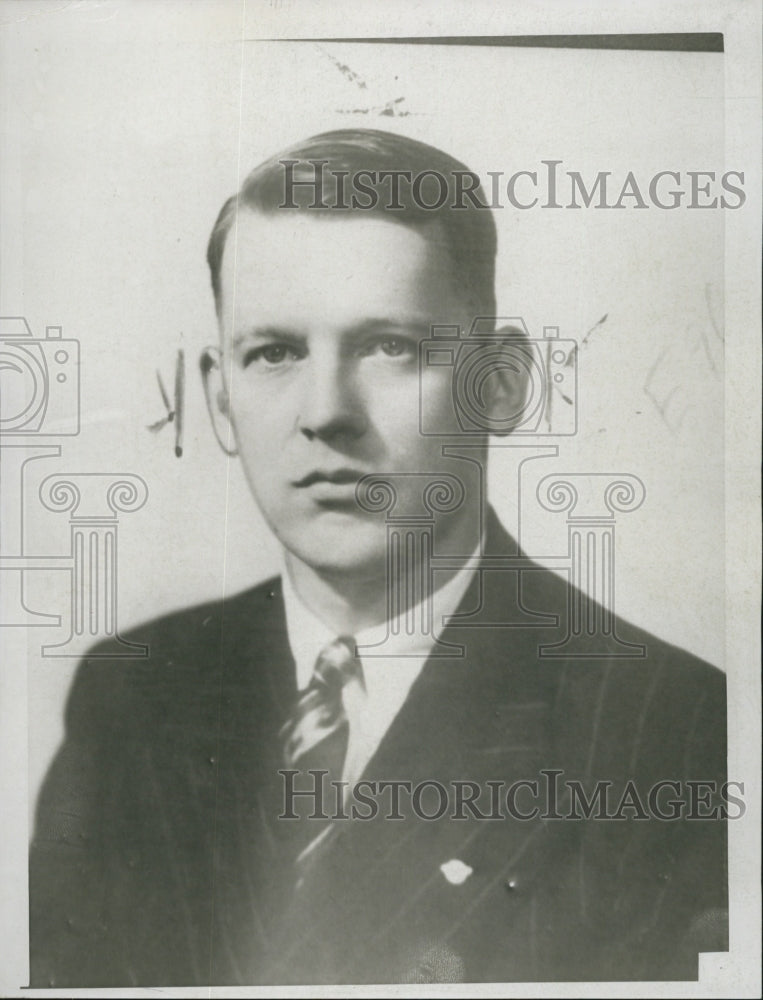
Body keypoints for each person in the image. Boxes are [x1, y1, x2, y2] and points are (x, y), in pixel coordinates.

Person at [29, 129, 727, 987]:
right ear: (219, 398)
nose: (325, 412)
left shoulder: (669, 732)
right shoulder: (132, 694)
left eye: (391, 346)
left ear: (500, 384)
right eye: (274, 353)